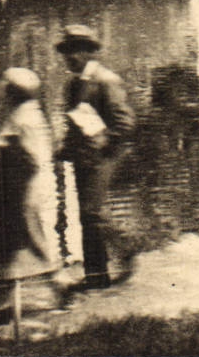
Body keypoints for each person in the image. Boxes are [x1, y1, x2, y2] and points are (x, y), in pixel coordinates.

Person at [54, 25, 137, 303]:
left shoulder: (105, 80)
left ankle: (124, 247)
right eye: (67, 51)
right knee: (86, 217)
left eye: (77, 50)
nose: (71, 57)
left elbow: (124, 122)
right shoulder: (73, 84)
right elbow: (75, 120)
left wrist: (106, 145)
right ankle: (96, 276)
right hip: (82, 156)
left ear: (90, 52)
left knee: (91, 214)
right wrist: (65, 149)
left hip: (104, 156)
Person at [0, 67, 59, 330]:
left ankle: (3, 307)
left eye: (3, 85)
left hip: (23, 191)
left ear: (12, 92)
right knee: (17, 245)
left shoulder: (24, 120)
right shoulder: (24, 114)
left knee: (19, 243)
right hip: (17, 189)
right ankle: (57, 282)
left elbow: (31, 160)